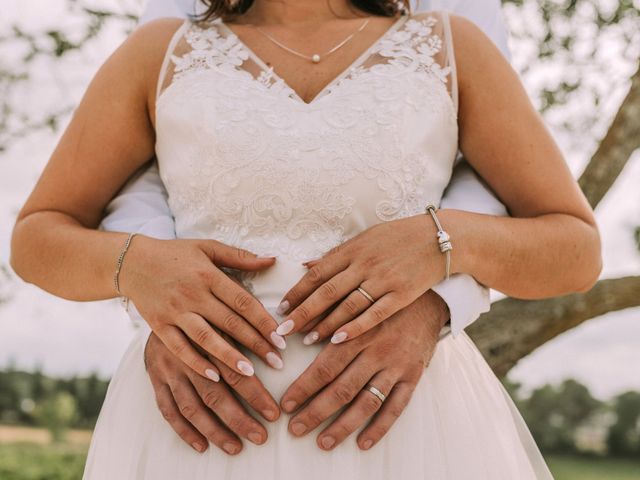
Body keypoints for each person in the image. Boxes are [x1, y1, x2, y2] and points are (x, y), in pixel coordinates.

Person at [10, 0, 601, 478]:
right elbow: (37, 236)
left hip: (413, 426)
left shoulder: (452, 45)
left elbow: (574, 249)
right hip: (196, 430)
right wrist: (134, 265)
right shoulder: (159, 51)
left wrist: (443, 239)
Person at [102, 0, 509, 460]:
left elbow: (558, 235)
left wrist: (439, 262)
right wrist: (141, 272)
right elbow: (59, 223)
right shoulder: (162, 45)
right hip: (200, 416)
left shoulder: (452, 40)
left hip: (406, 419)